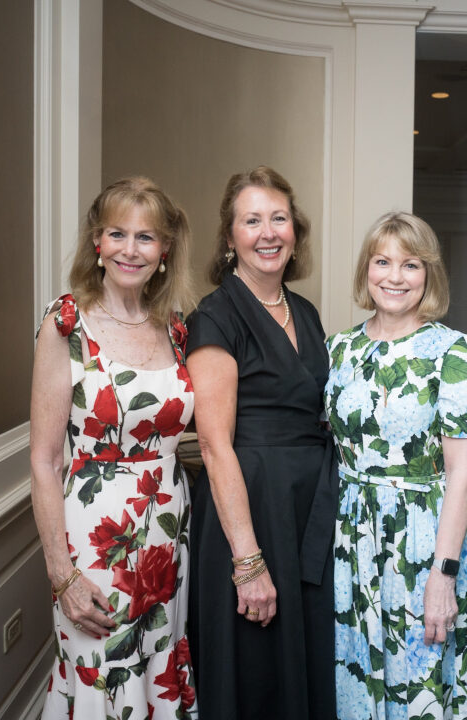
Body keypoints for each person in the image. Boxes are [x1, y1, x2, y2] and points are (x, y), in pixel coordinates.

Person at [31, 177, 198, 719]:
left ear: (165, 251)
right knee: (100, 668)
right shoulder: (67, 322)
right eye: (118, 234)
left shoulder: (175, 329)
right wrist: (64, 576)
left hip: (170, 535)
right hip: (95, 544)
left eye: (146, 237)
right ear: (97, 244)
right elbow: (44, 459)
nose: (131, 249)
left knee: (157, 669)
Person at [324, 212, 467, 720]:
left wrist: (443, 576)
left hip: (422, 544)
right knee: (357, 681)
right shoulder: (339, 349)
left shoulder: (454, 351)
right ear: (365, 270)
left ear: (430, 275)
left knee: (419, 682)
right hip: (352, 543)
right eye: (382, 262)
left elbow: (463, 475)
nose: (395, 277)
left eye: (410, 264)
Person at [185, 166, 336, 719]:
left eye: (279, 218)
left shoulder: (306, 312)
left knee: (304, 660)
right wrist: (248, 561)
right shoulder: (216, 316)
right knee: (254, 666)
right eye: (252, 221)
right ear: (230, 238)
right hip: (247, 508)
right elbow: (214, 445)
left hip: (307, 507)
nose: (268, 232)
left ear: (296, 231)